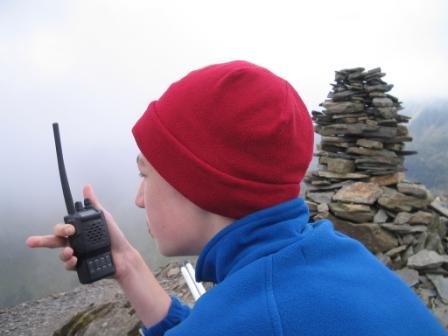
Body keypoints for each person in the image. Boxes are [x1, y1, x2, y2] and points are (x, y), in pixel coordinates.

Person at [26, 60, 446, 335]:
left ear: (200, 183)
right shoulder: (337, 257)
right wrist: (130, 267)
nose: (137, 200)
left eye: (145, 175)